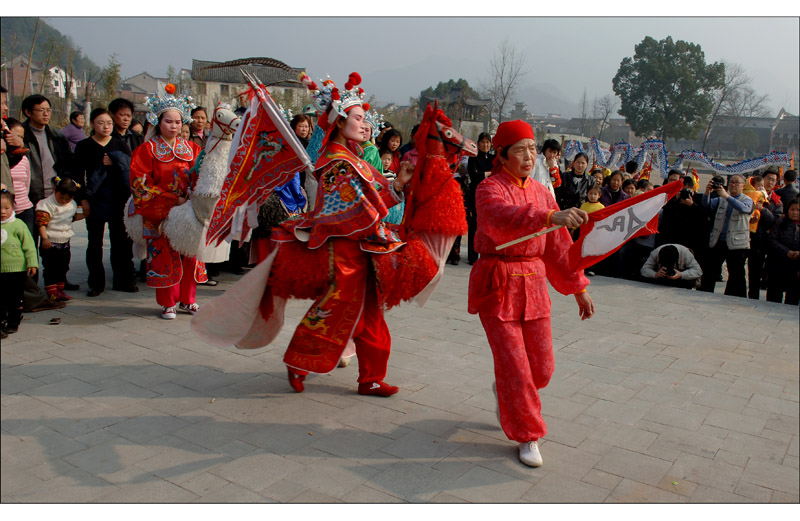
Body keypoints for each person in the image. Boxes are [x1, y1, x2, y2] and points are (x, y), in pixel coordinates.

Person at [468, 120, 594, 468]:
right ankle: (528, 434)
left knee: (541, 369)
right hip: (498, 283)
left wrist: (578, 288)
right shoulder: (488, 189)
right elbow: (501, 217)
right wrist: (550, 215)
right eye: (520, 149)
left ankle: (507, 389)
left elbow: (558, 246)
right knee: (518, 370)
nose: (528, 156)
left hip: (535, 285)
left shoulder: (541, 191)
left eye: (532, 149)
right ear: (502, 154)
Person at [277, 74, 414, 396]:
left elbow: (378, 194)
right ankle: (298, 362)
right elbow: (350, 209)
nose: (363, 123)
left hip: (366, 247)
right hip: (345, 250)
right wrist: (388, 197)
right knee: (333, 310)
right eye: (357, 117)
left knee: (372, 316)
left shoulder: (355, 158)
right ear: (339, 122)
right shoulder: (336, 161)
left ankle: (371, 378)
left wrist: (397, 185)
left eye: (364, 118)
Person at [130, 90, 207, 319]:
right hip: (160, 211)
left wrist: (195, 196)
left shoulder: (192, 149)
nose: (174, 126)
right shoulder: (146, 150)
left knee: (190, 254)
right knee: (164, 254)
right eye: (168, 121)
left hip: (189, 210)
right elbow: (140, 185)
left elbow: (200, 175)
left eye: (177, 122)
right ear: (157, 121)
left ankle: (188, 300)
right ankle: (168, 302)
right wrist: (173, 199)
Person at [74, 108, 136, 296]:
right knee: (95, 243)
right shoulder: (84, 146)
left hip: (118, 199)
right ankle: (96, 283)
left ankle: (123, 280)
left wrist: (116, 162)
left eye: (109, 123)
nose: (106, 126)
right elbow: (78, 174)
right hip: (95, 200)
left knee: (121, 243)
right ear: (92, 124)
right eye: (101, 123)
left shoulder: (120, 144)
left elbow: (130, 170)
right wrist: (82, 199)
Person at [700, 174, 753, 297]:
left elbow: (745, 209)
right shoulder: (720, 199)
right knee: (710, 270)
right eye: (731, 182)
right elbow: (707, 206)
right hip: (719, 240)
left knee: (737, 273)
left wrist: (727, 196)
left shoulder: (747, 199)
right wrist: (707, 192)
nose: (733, 185)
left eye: (736, 182)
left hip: (737, 243)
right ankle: (705, 292)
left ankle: (737, 297)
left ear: (743, 186)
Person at [35, 176, 85, 302]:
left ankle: (60, 289)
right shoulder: (46, 204)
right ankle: (52, 291)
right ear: (55, 190)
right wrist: (45, 238)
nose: (63, 201)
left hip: (64, 241)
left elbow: (72, 218)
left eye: (67, 199)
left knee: (63, 266)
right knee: (51, 267)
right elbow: (42, 223)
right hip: (50, 241)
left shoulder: (71, 204)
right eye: (61, 197)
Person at [21, 94, 74, 211]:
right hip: (29, 198)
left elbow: (68, 162)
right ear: (28, 112)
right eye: (41, 110)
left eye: (48, 110)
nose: (46, 114)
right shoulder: (21, 136)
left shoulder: (57, 136)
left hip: (55, 195)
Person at [1, 189, 39, 338]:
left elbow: (29, 246)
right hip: (1, 270)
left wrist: (32, 263)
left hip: (17, 270)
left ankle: (14, 321)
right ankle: (2, 320)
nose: (3, 211)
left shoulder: (18, 225)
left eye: (6, 208)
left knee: (15, 297)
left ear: (13, 208)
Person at [466, 132, 495, 264]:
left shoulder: (494, 159)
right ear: (478, 144)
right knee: (474, 225)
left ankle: (487, 254)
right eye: (483, 142)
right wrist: (487, 173)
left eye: (488, 142)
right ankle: (472, 256)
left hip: (490, 195)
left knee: (489, 226)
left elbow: (497, 176)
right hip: (475, 194)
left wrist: (481, 174)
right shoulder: (473, 157)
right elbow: (473, 175)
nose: (485, 145)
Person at [765, 198, 799, 305]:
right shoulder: (780, 223)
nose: (795, 212)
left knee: (792, 299)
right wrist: (786, 252)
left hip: (795, 267)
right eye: (792, 209)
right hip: (777, 265)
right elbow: (771, 240)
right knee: (773, 298)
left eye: (798, 210)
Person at [4, 118, 35, 234]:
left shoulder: (24, 158)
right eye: (17, 136)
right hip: (5, 211)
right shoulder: (3, 158)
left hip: (24, 209)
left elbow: (27, 184)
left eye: (22, 137)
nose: (19, 141)